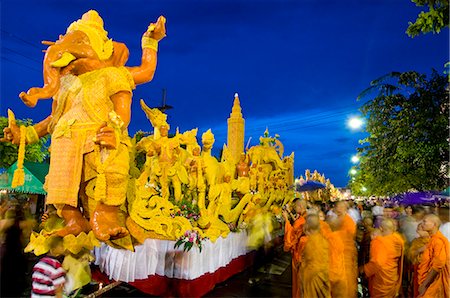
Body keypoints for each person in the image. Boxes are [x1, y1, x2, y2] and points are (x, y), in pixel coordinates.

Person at [2, 10, 166, 242]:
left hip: (97, 135)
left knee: (110, 160)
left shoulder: (112, 74)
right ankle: (72, 219)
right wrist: (26, 134)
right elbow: (54, 119)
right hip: (65, 140)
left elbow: (144, 75)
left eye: (79, 42)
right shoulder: (66, 84)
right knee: (59, 180)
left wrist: (150, 41)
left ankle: (103, 216)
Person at [361, 218, 405, 298]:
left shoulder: (380, 242)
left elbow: (377, 263)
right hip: (392, 275)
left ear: (381, 228)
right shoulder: (398, 239)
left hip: (381, 280)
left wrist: (364, 270)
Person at [417, 214, 449, 297]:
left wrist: (425, 284)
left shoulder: (438, 241)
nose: (422, 223)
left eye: (425, 221)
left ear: (434, 224)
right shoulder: (432, 239)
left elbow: (439, 264)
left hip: (436, 281)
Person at [299, 213, 331, 298]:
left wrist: (303, 279)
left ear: (307, 226)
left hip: (313, 278)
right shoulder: (323, 240)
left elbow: (311, 266)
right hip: (324, 276)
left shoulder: (310, 243)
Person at [0, 206, 27, 297]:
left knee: (6, 279)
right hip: (16, 253)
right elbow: (24, 237)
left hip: (7, 254)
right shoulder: (20, 224)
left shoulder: (5, 223)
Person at [282, 198, 307, 298]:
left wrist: (286, 220)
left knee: (298, 281)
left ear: (300, 207)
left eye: (295, 206)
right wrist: (289, 214)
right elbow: (297, 225)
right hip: (304, 253)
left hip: (299, 253)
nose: (294, 208)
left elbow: (292, 236)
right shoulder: (305, 216)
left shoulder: (302, 219)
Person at [333, 200, 357, 298]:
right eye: (337, 207)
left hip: (345, 255)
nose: (338, 209)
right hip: (337, 255)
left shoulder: (348, 221)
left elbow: (345, 238)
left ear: (345, 208)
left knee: (346, 283)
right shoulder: (338, 219)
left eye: (340, 207)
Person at [407, 223, 430, 297]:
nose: (418, 231)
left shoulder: (433, 240)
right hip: (418, 268)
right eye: (418, 229)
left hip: (430, 270)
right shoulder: (416, 241)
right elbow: (410, 255)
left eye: (421, 229)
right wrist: (420, 250)